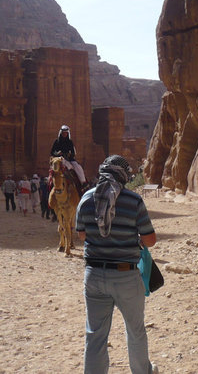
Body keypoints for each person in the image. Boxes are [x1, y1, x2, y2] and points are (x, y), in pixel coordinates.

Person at [75, 155, 158, 374]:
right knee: (135, 331)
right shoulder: (133, 200)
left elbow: (82, 234)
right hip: (126, 276)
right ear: (122, 175)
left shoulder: (85, 198)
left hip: (93, 275)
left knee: (95, 335)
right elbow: (150, 240)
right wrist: (131, 240)